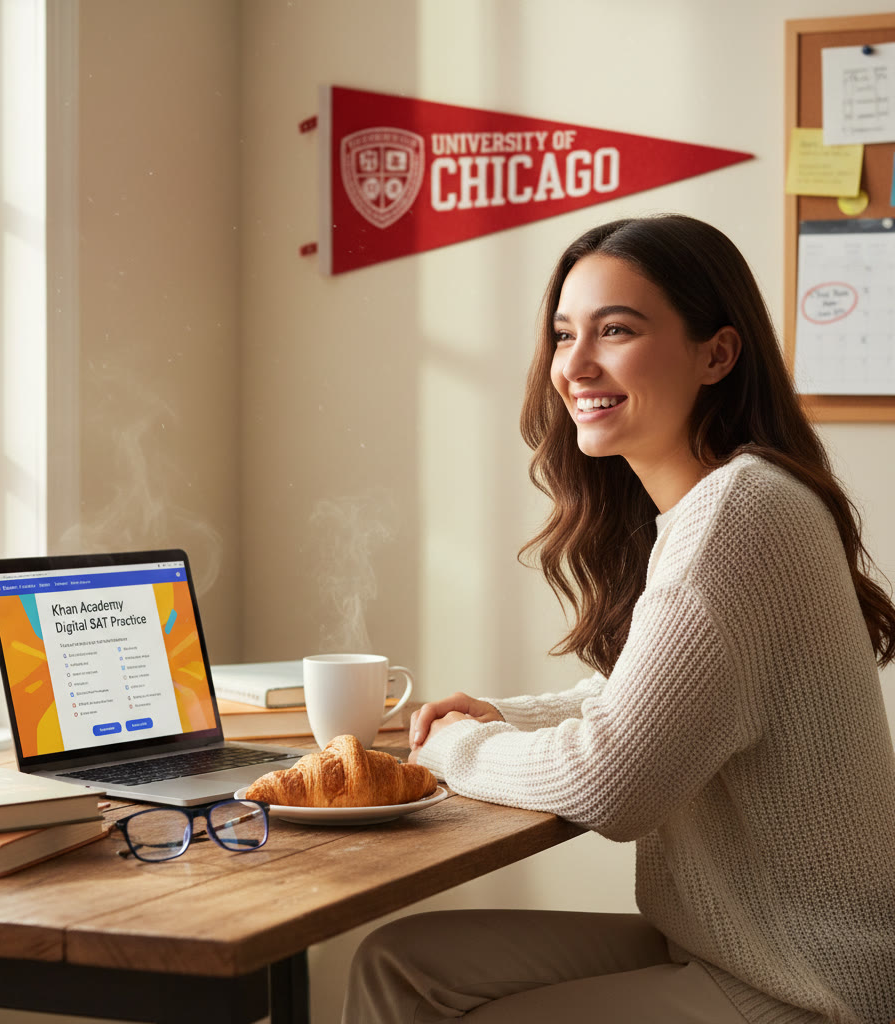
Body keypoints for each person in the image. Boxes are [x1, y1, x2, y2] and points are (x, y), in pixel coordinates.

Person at [342, 214, 895, 1023]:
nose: (576, 365)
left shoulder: (737, 516)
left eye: (617, 330)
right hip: (730, 944)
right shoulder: (727, 501)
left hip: (803, 985)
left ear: (718, 354)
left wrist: (453, 749)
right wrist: (507, 714)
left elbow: (612, 782)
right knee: (400, 964)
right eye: (565, 335)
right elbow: (645, 698)